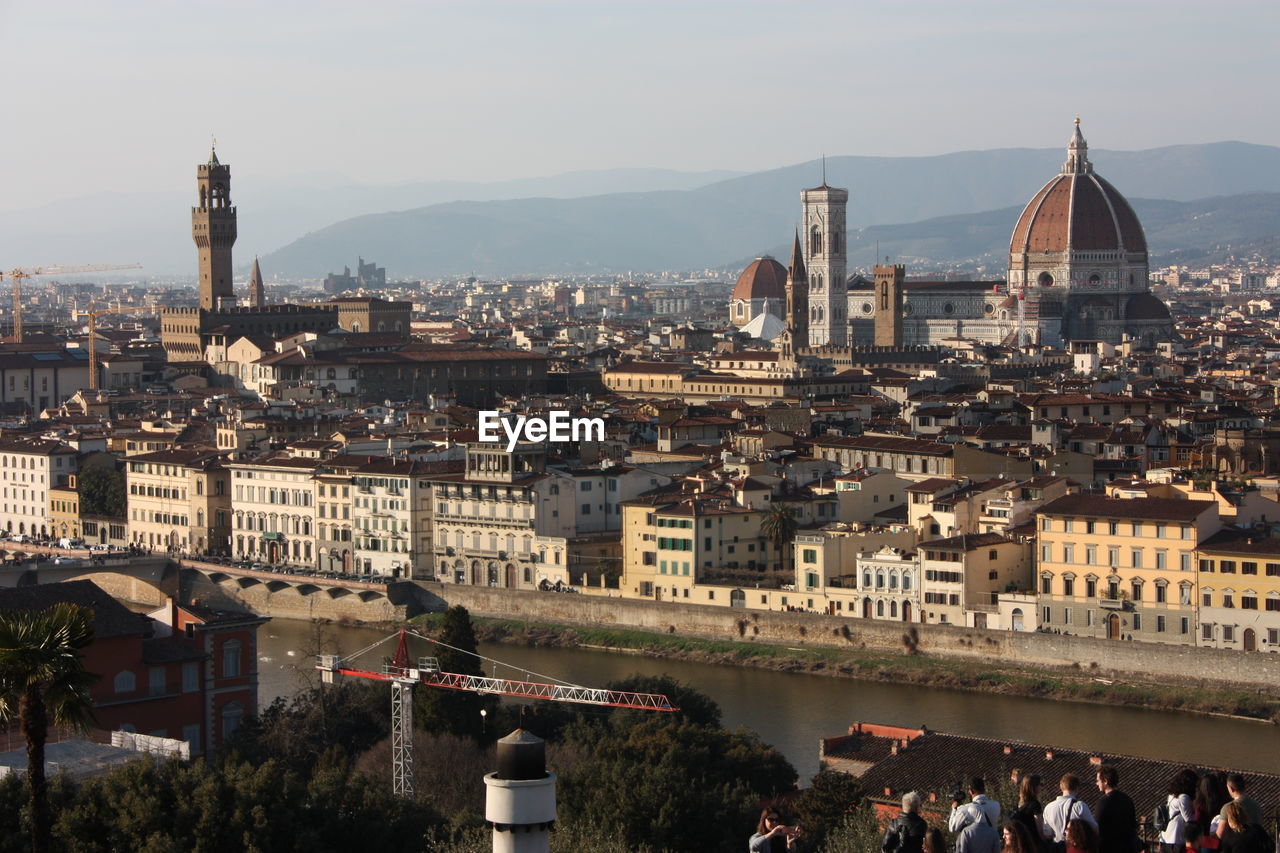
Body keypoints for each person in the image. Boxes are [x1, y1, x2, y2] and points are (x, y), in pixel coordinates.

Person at [1094, 764, 1139, 853]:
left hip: (1108, 847)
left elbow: (1096, 826)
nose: (1097, 783)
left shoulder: (1103, 802)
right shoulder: (1127, 799)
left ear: (1105, 781)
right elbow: (1133, 824)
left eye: (1098, 780)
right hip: (1127, 847)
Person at [1045, 775, 1098, 843]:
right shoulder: (1080, 806)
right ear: (1077, 788)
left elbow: (1047, 834)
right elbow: (1094, 828)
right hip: (1076, 846)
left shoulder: (1048, 807)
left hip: (1057, 847)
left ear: (1061, 787)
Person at [1217, 775, 1265, 841]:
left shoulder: (1228, 808)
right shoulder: (1257, 805)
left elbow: (1220, 835)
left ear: (1231, 788)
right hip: (1256, 844)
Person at [1161, 769, 1199, 852]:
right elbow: (1189, 819)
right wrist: (1196, 809)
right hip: (1176, 837)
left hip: (1166, 836)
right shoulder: (1184, 798)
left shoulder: (1172, 795)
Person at [1010, 773, 1049, 847]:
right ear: (1034, 787)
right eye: (1040, 784)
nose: (1041, 787)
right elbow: (1040, 828)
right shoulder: (1035, 804)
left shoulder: (1018, 804)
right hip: (1032, 842)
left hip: (1020, 842)